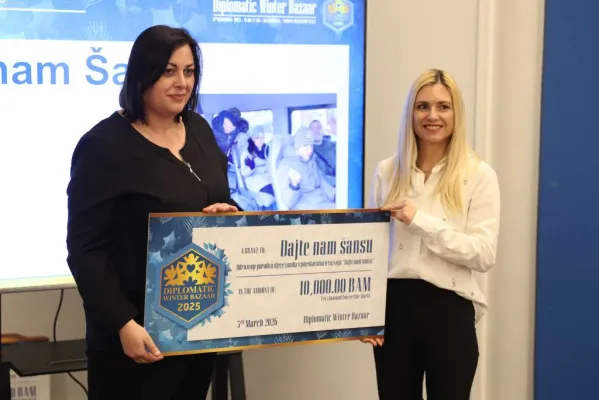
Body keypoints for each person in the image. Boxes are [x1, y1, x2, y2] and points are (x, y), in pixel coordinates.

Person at [66, 25, 239, 399]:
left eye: (189, 71)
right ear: (142, 74)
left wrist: (229, 214)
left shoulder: (200, 130)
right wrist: (123, 323)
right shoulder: (102, 146)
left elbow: (219, 201)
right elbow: (85, 250)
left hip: (195, 328)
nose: (182, 83)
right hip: (134, 340)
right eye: (168, 71)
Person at [364, 69, 500, 400]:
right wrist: (364, 314)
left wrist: (420, 221)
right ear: (410, 113)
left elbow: (483, 254)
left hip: (450, 311)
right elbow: (371, 252)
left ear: (456, 114)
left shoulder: (478, 175)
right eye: (422, 106)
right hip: (394, 313)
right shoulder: (387, 172)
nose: (432, 116)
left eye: (443, 106)